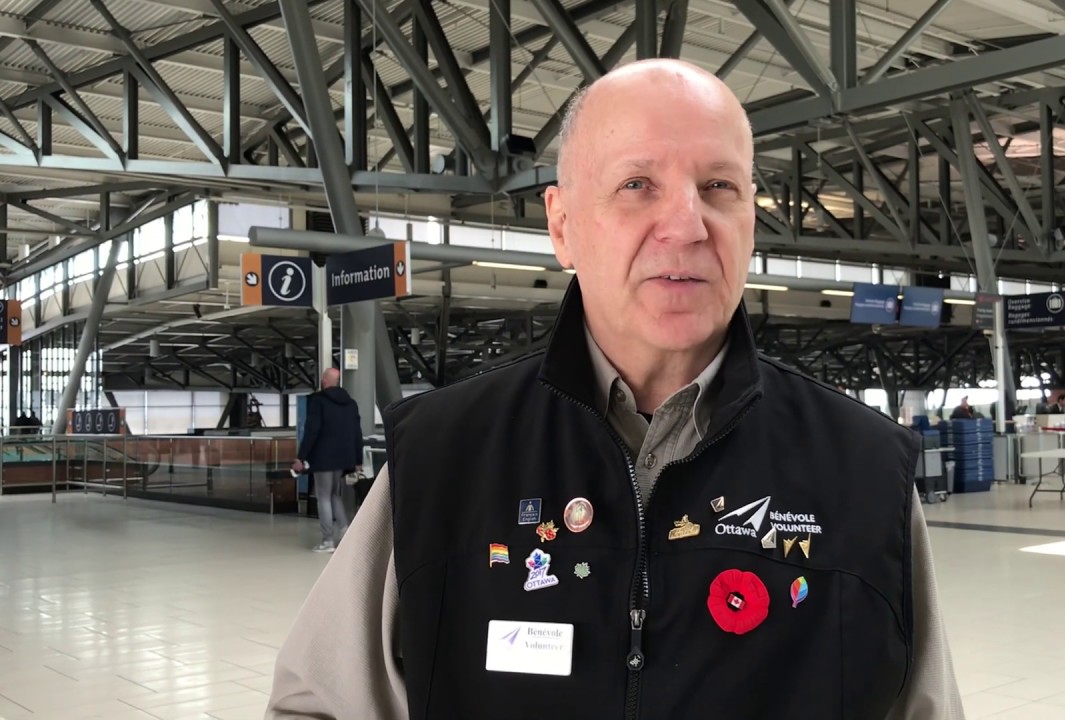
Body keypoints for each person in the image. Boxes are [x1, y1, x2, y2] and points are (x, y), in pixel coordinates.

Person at [266, 59, 963, 719]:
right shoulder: (441, 457)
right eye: (637, 185)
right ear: (562, 225)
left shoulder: (865, 470)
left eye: (719, 187)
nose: (687, 225)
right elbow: (318, 703)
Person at [292, 368, 363, 553]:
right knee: (333, 494)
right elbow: (357, 432)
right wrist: (358, 459)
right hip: (343, 457)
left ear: (324, 381)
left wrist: (301, 457)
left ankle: (328, 541)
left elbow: (311, 431)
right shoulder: (351, 403)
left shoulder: (318, 401)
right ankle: (346, 532)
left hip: (323, 457)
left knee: (323, 496)